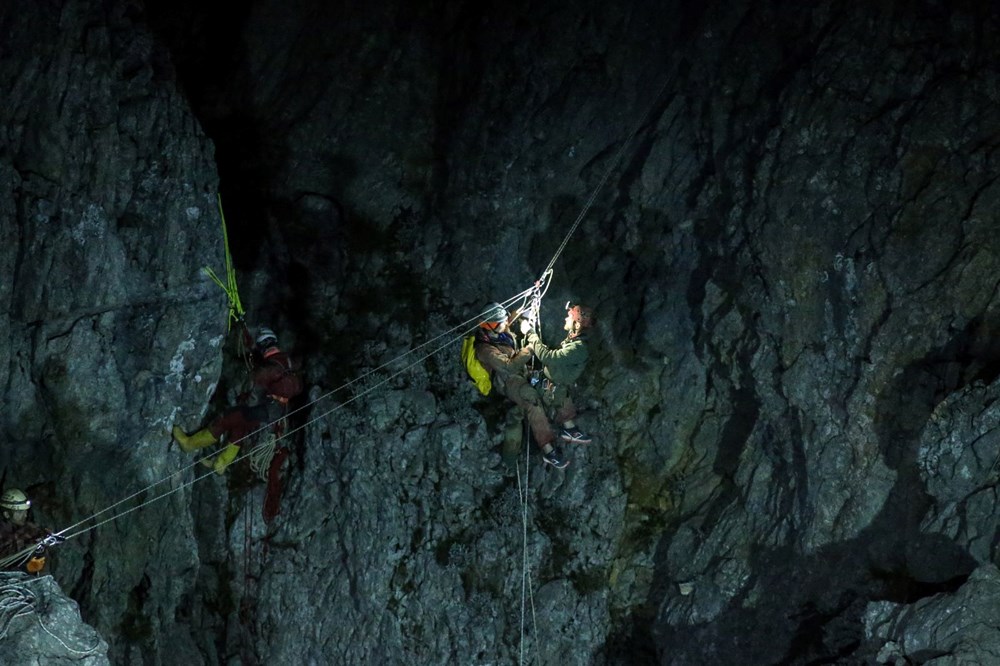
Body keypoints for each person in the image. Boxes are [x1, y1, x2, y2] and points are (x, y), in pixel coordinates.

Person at [173, 326, 304, 474]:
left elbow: (254, 397)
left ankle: (189, 444)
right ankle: (221, 463)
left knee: (224, 420)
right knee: (239, 427)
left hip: (263, 408)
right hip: (279, 410)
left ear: (262, 347)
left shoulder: (266, 369)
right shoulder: (288, 361)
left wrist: (244, 403)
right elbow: (298, 387)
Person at [473, 302, 570, 469]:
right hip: (507, 381)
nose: (505, 324)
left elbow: (511, 318)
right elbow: (508, 366)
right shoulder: (485, 349)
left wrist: (527, 307)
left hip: (524, 373)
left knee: (549, 386)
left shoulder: (499, 331)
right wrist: (530, 349)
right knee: (531, 398)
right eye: (501, 322)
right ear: (491, 325)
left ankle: (568, 423)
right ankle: (548, 450)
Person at [520, 301, 594, 445]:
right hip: (552, 380)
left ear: (577, 324)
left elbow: (548, 357)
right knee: (559, 394)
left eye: (569, 317)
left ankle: (548, 447)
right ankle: (570, 429)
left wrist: (530, 333)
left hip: (551, 385)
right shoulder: (574, 339)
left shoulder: (578, 348)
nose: (566, 319)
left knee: (542, 398)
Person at [0, 488, 60, 574]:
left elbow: (32, 531)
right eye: (20, 512)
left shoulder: (26, 527)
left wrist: (44, 537)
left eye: (26, 511)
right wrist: (26, 568)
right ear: (6, 514)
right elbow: (6, 558)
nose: (25, 515)